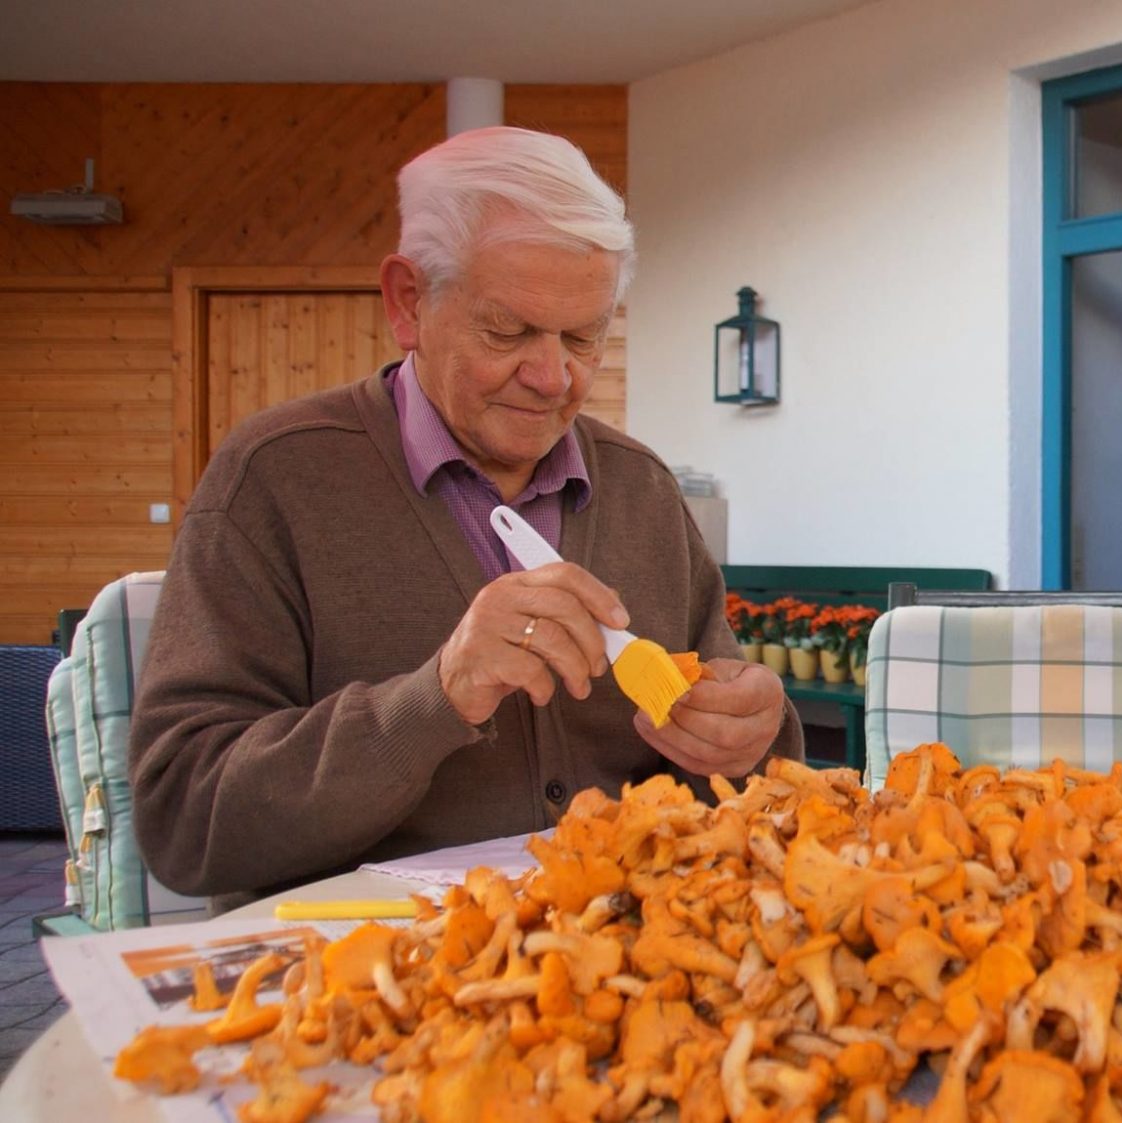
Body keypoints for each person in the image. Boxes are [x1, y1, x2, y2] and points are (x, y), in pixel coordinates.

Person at [131, 127, 802, 905]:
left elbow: (752, 771)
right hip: (367, 984)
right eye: (508, 331)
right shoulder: (273, 480)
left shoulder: (644, 490)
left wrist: (756, 732)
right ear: (408, 302)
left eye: (585, 336)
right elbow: (182, 821)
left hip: (622, 967)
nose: (554, 377)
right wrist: (437, 697)